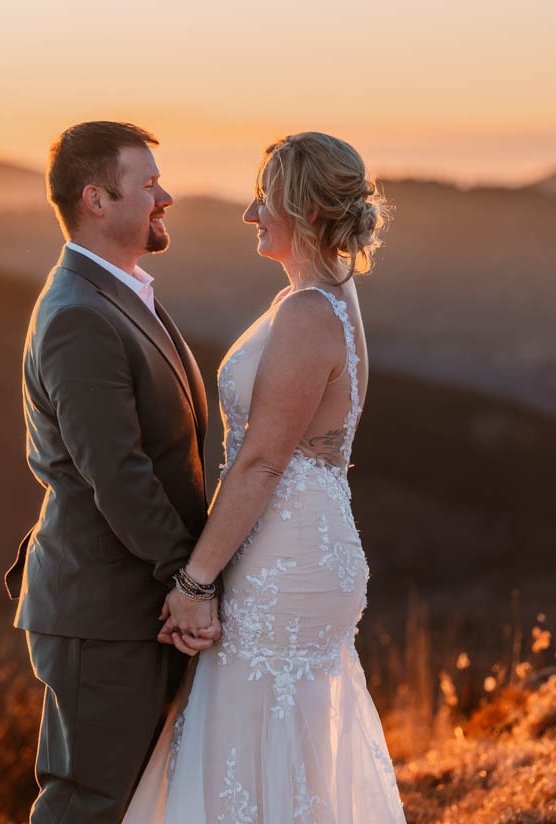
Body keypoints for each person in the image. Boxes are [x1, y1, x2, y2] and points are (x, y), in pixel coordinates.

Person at [124, 131, 406, 822]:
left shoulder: (310, 311)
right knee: (268, 749)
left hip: (286, 565)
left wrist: (194, 584)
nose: (251, 214)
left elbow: (260, 461)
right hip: (296, 550)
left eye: (264, 199)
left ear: (307, 211)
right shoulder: (324, 296)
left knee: (253, 747)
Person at [4, 120, 220, 824]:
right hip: (101, 610)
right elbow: (119, 476)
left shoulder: (117, 294)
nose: (166, 196)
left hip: (134, 605)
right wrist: (190, 579)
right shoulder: (78, 317)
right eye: (149, 183)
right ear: (97, 199)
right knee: (88, 804)